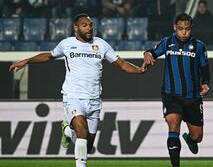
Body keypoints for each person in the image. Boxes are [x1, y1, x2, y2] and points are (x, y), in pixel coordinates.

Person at [9, 13, 147, 167]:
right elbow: (48, 56)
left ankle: (67, 131)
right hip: (73, 97)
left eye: (91, 25)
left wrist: (139, 70)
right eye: (85, 25)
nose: (89, 28)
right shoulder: (66, 44)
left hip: (94, 100)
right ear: (76, 27)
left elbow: (121, 64)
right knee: (81, 131)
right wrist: (27, 60)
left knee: (87, 146)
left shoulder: (101, 44)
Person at [143, 13, 210, 167]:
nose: (184, 32)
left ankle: (190, 139)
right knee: (173, 124)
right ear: (175, 28)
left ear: (191, 28)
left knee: (197, 136)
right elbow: (151, 52)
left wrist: (205, 83)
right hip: (171, 95)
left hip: (193, 97)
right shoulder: (167, 42)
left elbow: (205, 68)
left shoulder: (199, 46)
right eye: (180, 29)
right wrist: (147, 55)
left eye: (187, 29)